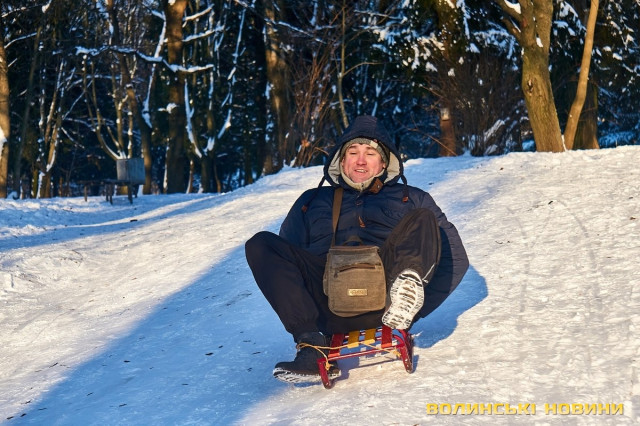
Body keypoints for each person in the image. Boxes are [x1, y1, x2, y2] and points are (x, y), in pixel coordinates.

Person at [245, 115, 469, 383]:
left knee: (422, 218)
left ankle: (405, 296)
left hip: (387, 303)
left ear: (384, 163)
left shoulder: (412, 199)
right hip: (328, 305)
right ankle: (311, 345)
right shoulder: (311, 201)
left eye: (370, 153)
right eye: (353, 152)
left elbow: (455, 257)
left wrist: (415, 309)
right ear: (341, 160)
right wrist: (308, 320)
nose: (361, 161)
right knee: (261, 244)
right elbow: (286, 270)